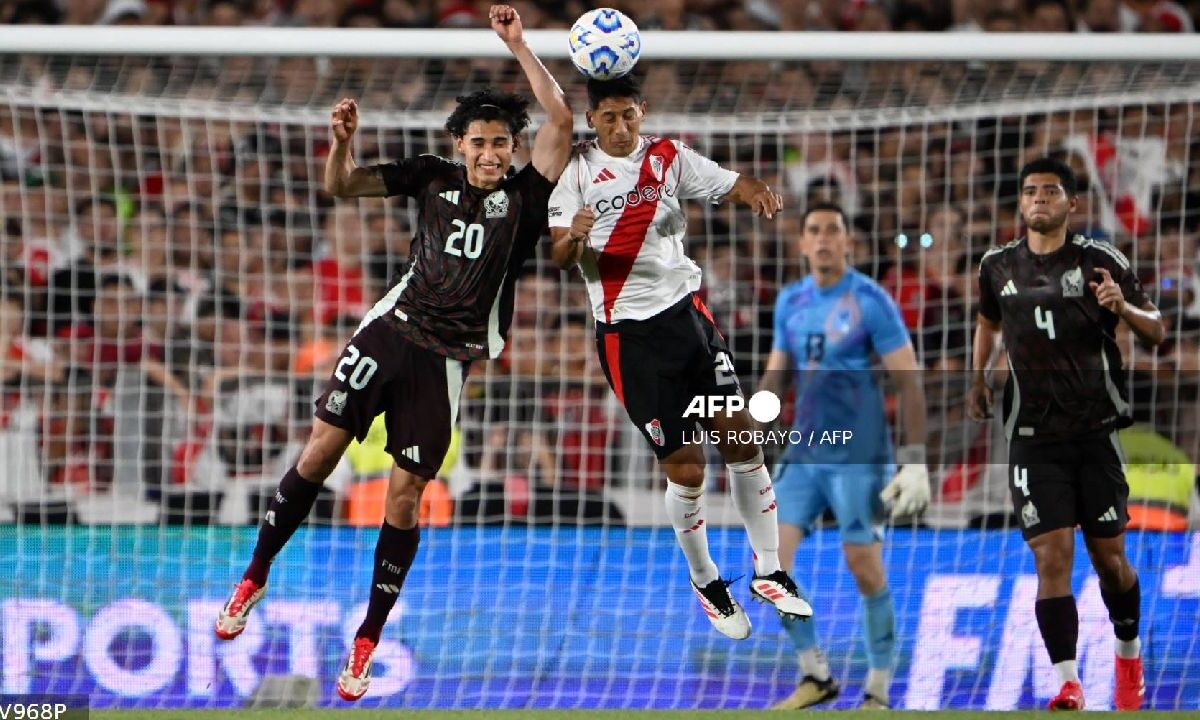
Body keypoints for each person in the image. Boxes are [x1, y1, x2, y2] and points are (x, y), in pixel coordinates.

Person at [212, 4, 573, 702]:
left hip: (446, 362)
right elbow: (341, 186)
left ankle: (367, 640)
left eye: (501, 143)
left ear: (513, 148)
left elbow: (560, 119)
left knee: (405, 500)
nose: (490, 154)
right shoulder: (431, 175)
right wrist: (341, 144)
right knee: (319, 453)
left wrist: (519, 45)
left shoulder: (527, 199)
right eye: (478, 142)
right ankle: (254, 576)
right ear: (459, 145)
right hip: (391, 332)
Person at [547, 74, 812, 640]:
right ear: (592, 120)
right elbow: (559, 254)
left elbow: (732, 182)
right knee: (687, 470)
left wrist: (756, 191)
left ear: (642, 111)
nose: (621, 127)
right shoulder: (575, 172)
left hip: (688, 322)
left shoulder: (668, 156)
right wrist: (575, 236)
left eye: (629, 115)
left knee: (742, 439)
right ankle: (706, 579)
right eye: (609, 117)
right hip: (629, 340)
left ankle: (770, 571)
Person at [969, 157, 1164, 711]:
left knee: (1110, 563)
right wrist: (978, 377)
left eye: (1051, 191)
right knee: (1051, 557)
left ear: (1071, 203)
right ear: (1020, 202)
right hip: (1032, 435)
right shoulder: (996, 265)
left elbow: (1158, 330)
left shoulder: (1100, 260)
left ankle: (1128, 654)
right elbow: (988, 322)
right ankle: (1069, 682)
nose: (1039, 198)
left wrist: (1122, 308)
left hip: (1094, 432)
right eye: (1030, 190)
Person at [759, 202, 929, 710]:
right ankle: (815, 673)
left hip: (860, 453)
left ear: (848, 241)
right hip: (805, 451)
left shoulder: (870, 300)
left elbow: (908, 380)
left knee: (863, 565)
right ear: (802, 243)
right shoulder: (790, 301)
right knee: (770, 564)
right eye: (814, 230)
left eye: (833, 229)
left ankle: (878, 688)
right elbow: (776, 376)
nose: (824, 238)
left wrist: (915, 460)